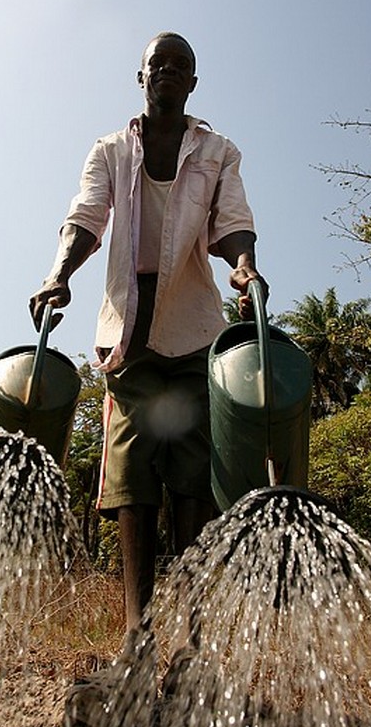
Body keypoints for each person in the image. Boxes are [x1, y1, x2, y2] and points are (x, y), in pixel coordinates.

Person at [30, 32, 267, 638]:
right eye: (156, 63)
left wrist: (243, 267)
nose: (166, 72)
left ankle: (186, 626)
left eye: (179, 66)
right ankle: (138, 628)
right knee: (134, 475)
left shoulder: (217, 151)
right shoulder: (110, 150)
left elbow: (233, 222)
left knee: (192, 476)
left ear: (193, 82)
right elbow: (86, 217)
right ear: (140, 77)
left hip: (193, 331)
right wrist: (59, 276)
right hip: (129, 334)